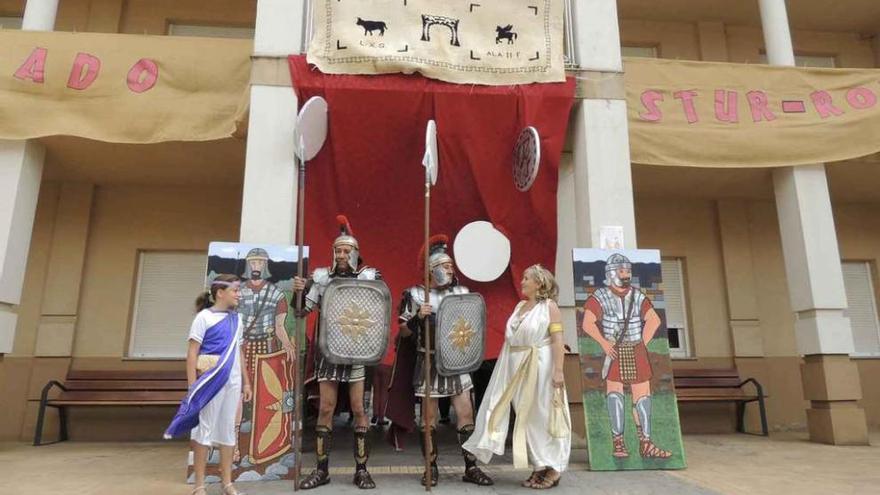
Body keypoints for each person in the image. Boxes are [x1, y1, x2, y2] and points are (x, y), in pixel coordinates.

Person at [396, 235, 494, 487]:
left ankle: (471, 467)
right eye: (445, 266)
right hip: (428, 362)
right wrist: (418, 317)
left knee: (465, 413)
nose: (450, 270)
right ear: (432, 270)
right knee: (428, 419)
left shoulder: (462, 293)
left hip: (458, 362)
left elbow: (472, 326)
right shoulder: (415, 295)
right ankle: (431, 467)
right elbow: (404, 332)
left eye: (451, 266)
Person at [293, 215, 382, 490]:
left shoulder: (369, 277)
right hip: (329, 352)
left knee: (359, 409)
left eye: (346, 251)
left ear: (355, 253)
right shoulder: (321, 278)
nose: (341, 255)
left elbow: (379, 310)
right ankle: (322, 471)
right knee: (326, 408)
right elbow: (301, 311)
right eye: (338, 250)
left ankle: (362, 470)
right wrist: (300, 291)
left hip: (357, 352)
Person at [464, 264, 570, 489]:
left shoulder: (549, 307)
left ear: (539, 283)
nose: (521, 282)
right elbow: (511, 341)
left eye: (526, 278)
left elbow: (558, 340)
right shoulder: (521, 305)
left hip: (540, 366)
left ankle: (554, 466)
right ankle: (539, 465)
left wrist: (558, 370)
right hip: (515, 368)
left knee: (543, 414)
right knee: (526, 417)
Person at [164, 274, 252, 495]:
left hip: (233, 382)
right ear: (220, 293)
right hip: (211, 382)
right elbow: (192, 353)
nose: (238, 294)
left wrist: (247, 383)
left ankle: (227, 482)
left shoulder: (237, 319)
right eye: (235, 290)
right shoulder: (203, 318)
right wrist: (193, 386)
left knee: (228, 431)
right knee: (205, 430)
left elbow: (239, 353)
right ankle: (200, 485)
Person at [581, 253, 671, 459]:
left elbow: (654, 320)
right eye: (622, 271)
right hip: (614, 351)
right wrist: (604, 343)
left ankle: (646, 444)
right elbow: (588, 323)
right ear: (611, 273)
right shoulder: (600, 297)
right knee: (615, 397)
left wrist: (642, 344)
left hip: (636, 349)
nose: (626, 274)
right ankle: (618, 443)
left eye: (628, 271)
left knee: (643, 399)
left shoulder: (638, 296)